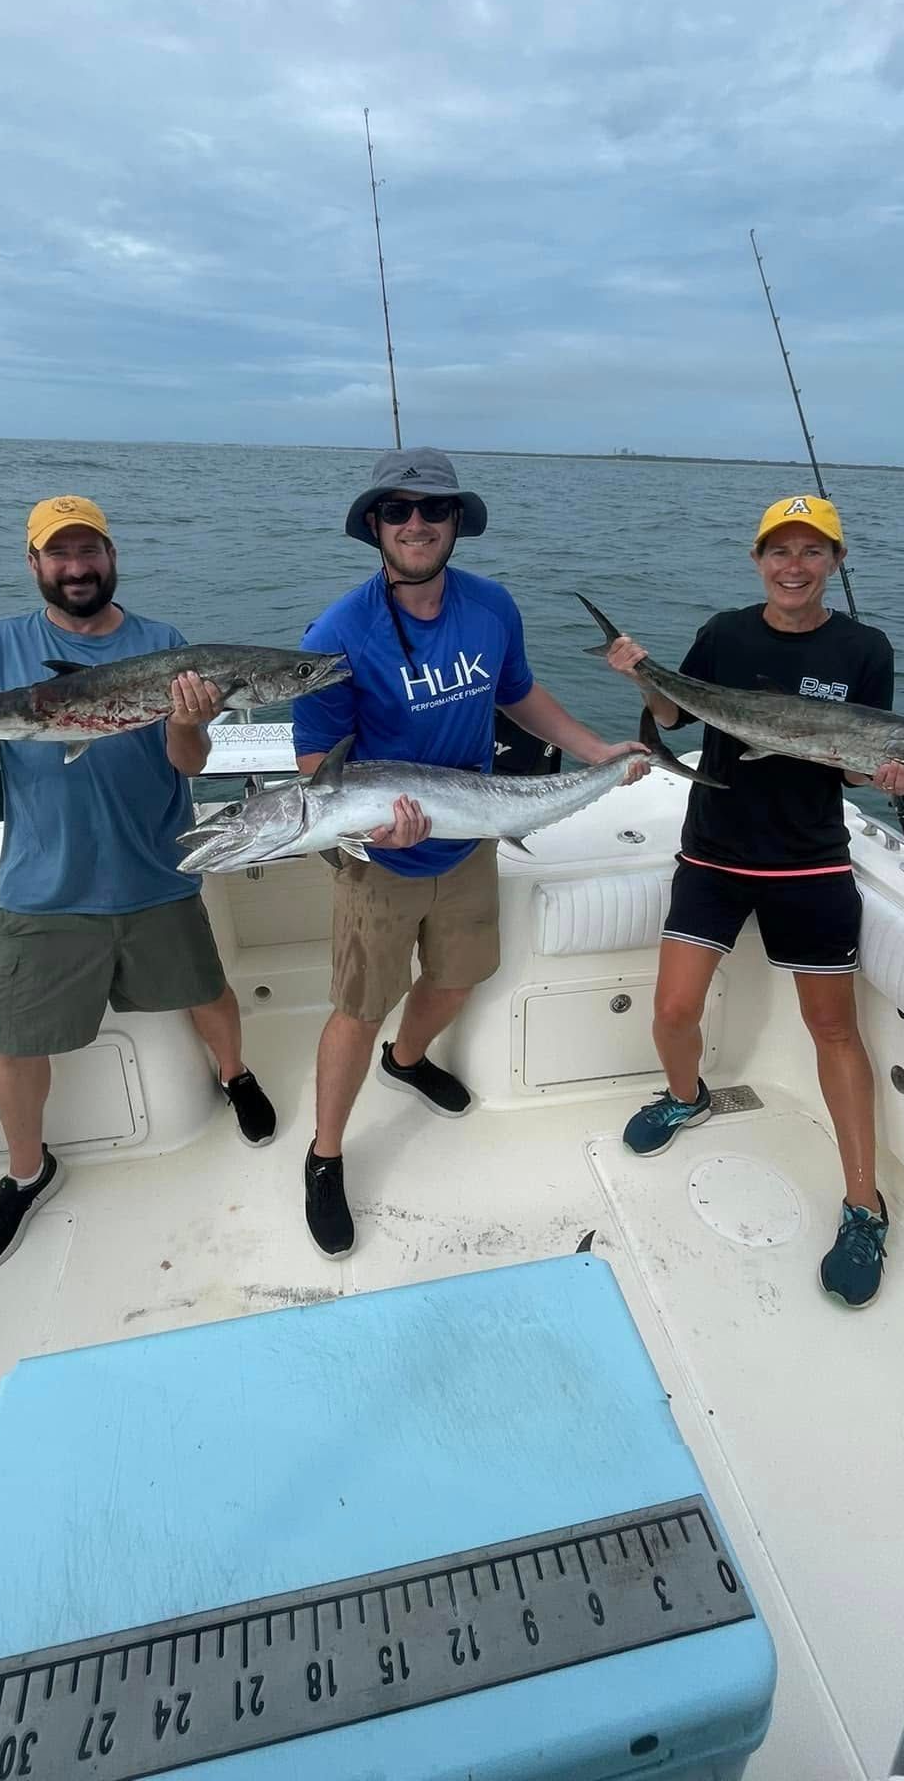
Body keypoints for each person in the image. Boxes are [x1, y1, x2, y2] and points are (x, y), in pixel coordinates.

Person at [0, 495, 276, 1271]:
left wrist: (188, 720)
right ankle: (24, 1171)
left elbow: (189, 764)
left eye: (90, 552)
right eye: (59, 554)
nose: (76, 567)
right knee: (16, 1042)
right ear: (35, 563)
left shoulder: (166, 644)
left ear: (112, 556)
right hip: (43, 886)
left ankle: (234, 1076)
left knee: (207, 991)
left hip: (156, 867)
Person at [292, 447, 649, 1258]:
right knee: (357, 1007)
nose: (416, 524)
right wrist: (373, 825)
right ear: (375, 527)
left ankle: (408, 1061)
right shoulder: (338, 633)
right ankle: (325, 1155)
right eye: (398, 511)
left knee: (458, 977)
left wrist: (596, 751)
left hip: (469, 837)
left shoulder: (491, 608)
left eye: (434, 510)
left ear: (457, 523)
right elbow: (315, 761)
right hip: (379, 858)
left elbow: (518, 694)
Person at [603, 494, 904, 1310]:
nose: (793, 565)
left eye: (811, 552)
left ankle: (864, 1205)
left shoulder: (865, 647)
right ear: (757, 562)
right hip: (714, 847)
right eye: (779, 551)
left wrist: (880, 773)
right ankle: (686, 1097)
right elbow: (671, 717)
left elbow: (857, 762)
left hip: (809, 861)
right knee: (674, 1011)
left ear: (835, 564)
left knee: (834, 1030)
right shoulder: (724, 632)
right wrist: (643, 672)